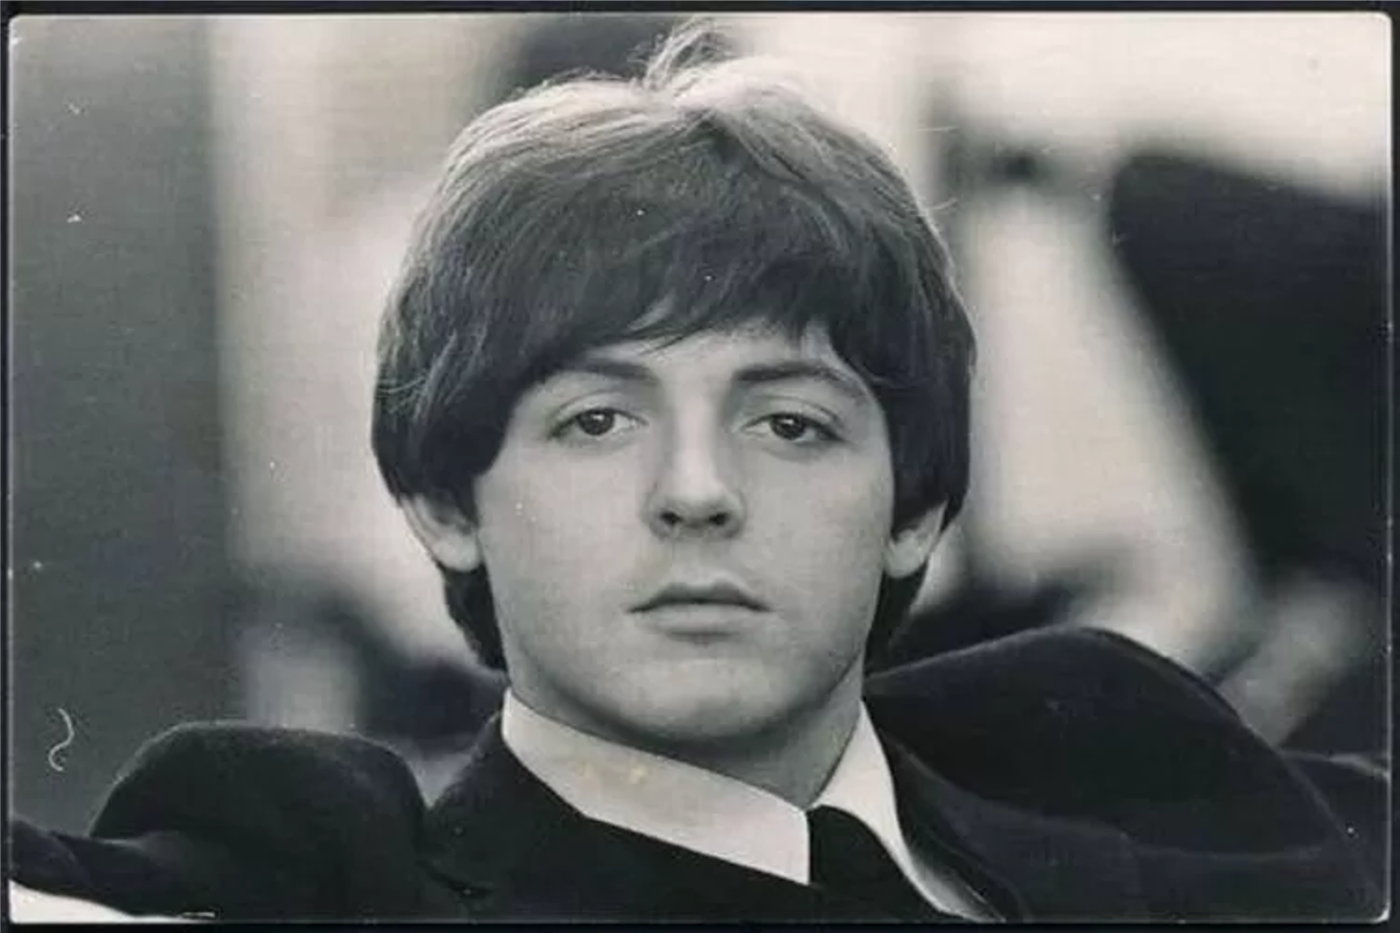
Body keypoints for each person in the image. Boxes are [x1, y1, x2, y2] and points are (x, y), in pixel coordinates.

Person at [8, 22, 1384, 922]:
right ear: (444, 499)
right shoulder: (327, 867)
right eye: (597, 421)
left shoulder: (1122, 748)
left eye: (789, 424)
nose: (697, 489)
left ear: (913, 507)